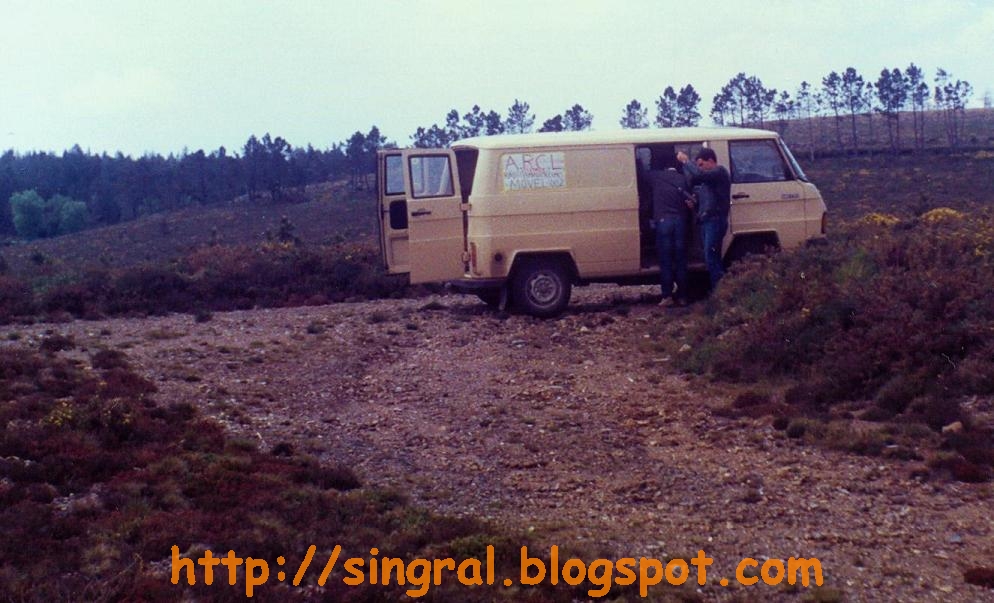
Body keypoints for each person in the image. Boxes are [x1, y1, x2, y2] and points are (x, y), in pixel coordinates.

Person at [678, 148, 731, 289]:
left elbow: (698, 175)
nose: (700, 168)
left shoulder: (719, 172)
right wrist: (694, 205)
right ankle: (720, 289)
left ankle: (720, 290)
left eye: (701, 164)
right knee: (712, 257)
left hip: (715, 220)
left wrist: (686, 161)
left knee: (711, 257)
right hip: (707, 220)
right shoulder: (709, 181)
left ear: (711, 161)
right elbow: (707, 201)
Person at [646, 150, 694, 306]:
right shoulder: (683, 178)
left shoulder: (655, 176)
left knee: (665, 259)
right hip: (680, 221)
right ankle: (683, 296)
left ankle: (667, 296)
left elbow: (640, 173)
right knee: (680, 259)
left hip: (663, 221)